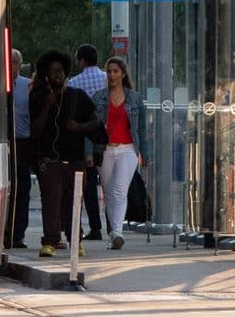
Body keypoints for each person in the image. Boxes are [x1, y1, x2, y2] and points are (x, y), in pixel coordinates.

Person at [27, 50, 100, 258]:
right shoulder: (39, 97)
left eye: (60, 71)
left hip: (75, 159)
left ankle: (75, 240)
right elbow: (36, 130)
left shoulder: (78, 96)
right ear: (46, 76)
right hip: (50, 159)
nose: (57, 75)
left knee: (74, 200)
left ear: (65, 72)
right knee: (51, 199)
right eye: (52, 72)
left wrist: (78, 127)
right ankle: (50, 240)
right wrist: (48, 104)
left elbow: (96, 122)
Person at [93, 56, 147, 250]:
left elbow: (141, 129)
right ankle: (113, 233)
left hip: (128, 149)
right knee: (108, 193)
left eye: (115, 71)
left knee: (119, 190)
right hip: (105, 149)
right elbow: (92, 127)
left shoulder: (134, 98)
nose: (111, 75)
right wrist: (89, 151)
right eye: (108, 71)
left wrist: (144, 153)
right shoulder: (99, 97)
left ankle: (117, 231)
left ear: (123, 74)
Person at [70, 44, 107, 241]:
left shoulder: (74, 83)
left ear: (82, 60)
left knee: (89, 184)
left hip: (86, 138)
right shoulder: (106, 78)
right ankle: (113, 225)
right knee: (110, 185)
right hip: (109, 137)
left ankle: (95, 227)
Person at [6, 49, 33, 250]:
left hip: (23, 144)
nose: (11, 66)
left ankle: (18, 234)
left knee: (22, 189)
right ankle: (5, 231)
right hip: (3, 143)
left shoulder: (28, 86)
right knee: (5, 189)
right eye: (8, 62)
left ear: (19, 65)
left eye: (14, 63)